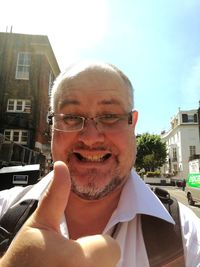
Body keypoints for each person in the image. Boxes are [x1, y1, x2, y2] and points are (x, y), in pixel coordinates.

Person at [0, 61, 200, 267]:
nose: (90, 138)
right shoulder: (4, 211)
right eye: (70, 117)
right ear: (52, 126)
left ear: (133, 124)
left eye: (110, 116)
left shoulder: (186, 236)